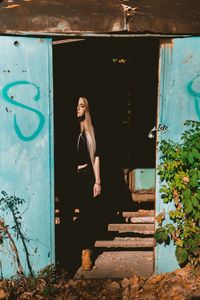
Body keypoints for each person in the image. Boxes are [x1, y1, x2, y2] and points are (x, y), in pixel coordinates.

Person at [76, 96, 101, 271]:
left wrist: (97, 181)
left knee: (86, 214)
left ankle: (86, 252)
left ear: (87, 109)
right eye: (76, 106)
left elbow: (95, 158)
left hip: (85, 176)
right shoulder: (70, 128)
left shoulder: (90, 131)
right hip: (69, 177)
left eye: (81, 106)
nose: (78, 108)